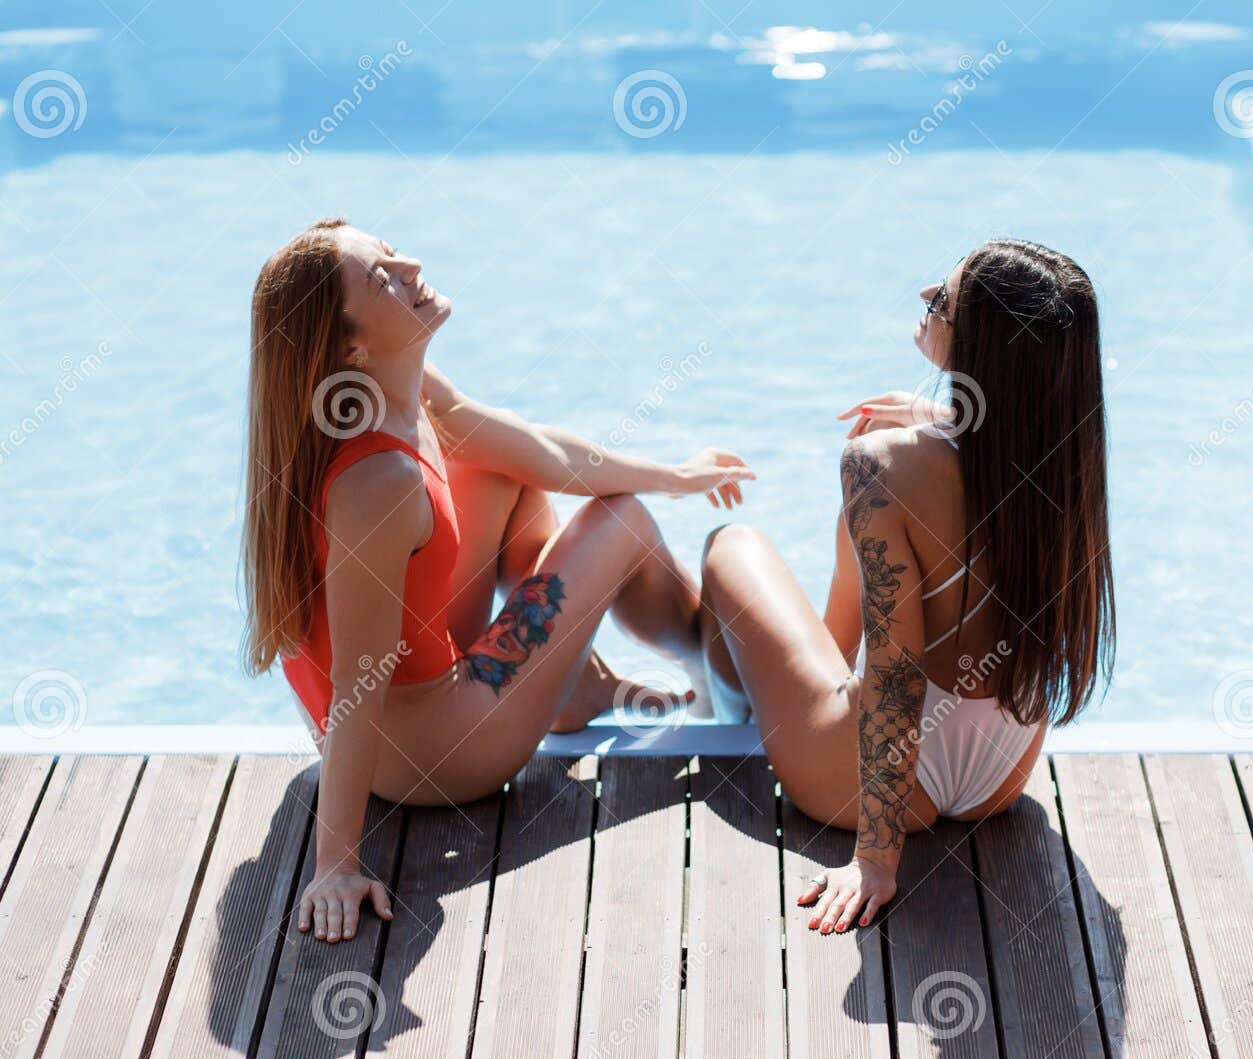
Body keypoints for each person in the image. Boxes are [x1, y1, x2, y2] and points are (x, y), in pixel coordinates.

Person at [240, 218, 753, 943]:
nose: (411, 265)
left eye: (390, 251)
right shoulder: (378, 483)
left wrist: (678, 474)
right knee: (625, 521)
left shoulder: (390, 392)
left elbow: (540, 453)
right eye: (382, 278)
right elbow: (358, 680)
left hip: (401, 707)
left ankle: (569, 681)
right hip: (424, 755)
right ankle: (722, 684)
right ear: (350, 344)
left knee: (496, 466)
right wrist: (336, 862)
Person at [698, 239, 1115, 936]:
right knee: (869, 517)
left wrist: (875, 859)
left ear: (981, 342)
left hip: (878, 783)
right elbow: (991, 458)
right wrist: (937, 421)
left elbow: (897, 674)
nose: (926, 294)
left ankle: (730, 704)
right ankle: (814, 678)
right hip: (999, 774)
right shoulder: (1068, 450)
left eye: (943, 299)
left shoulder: (877, 463)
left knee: (730, 547)